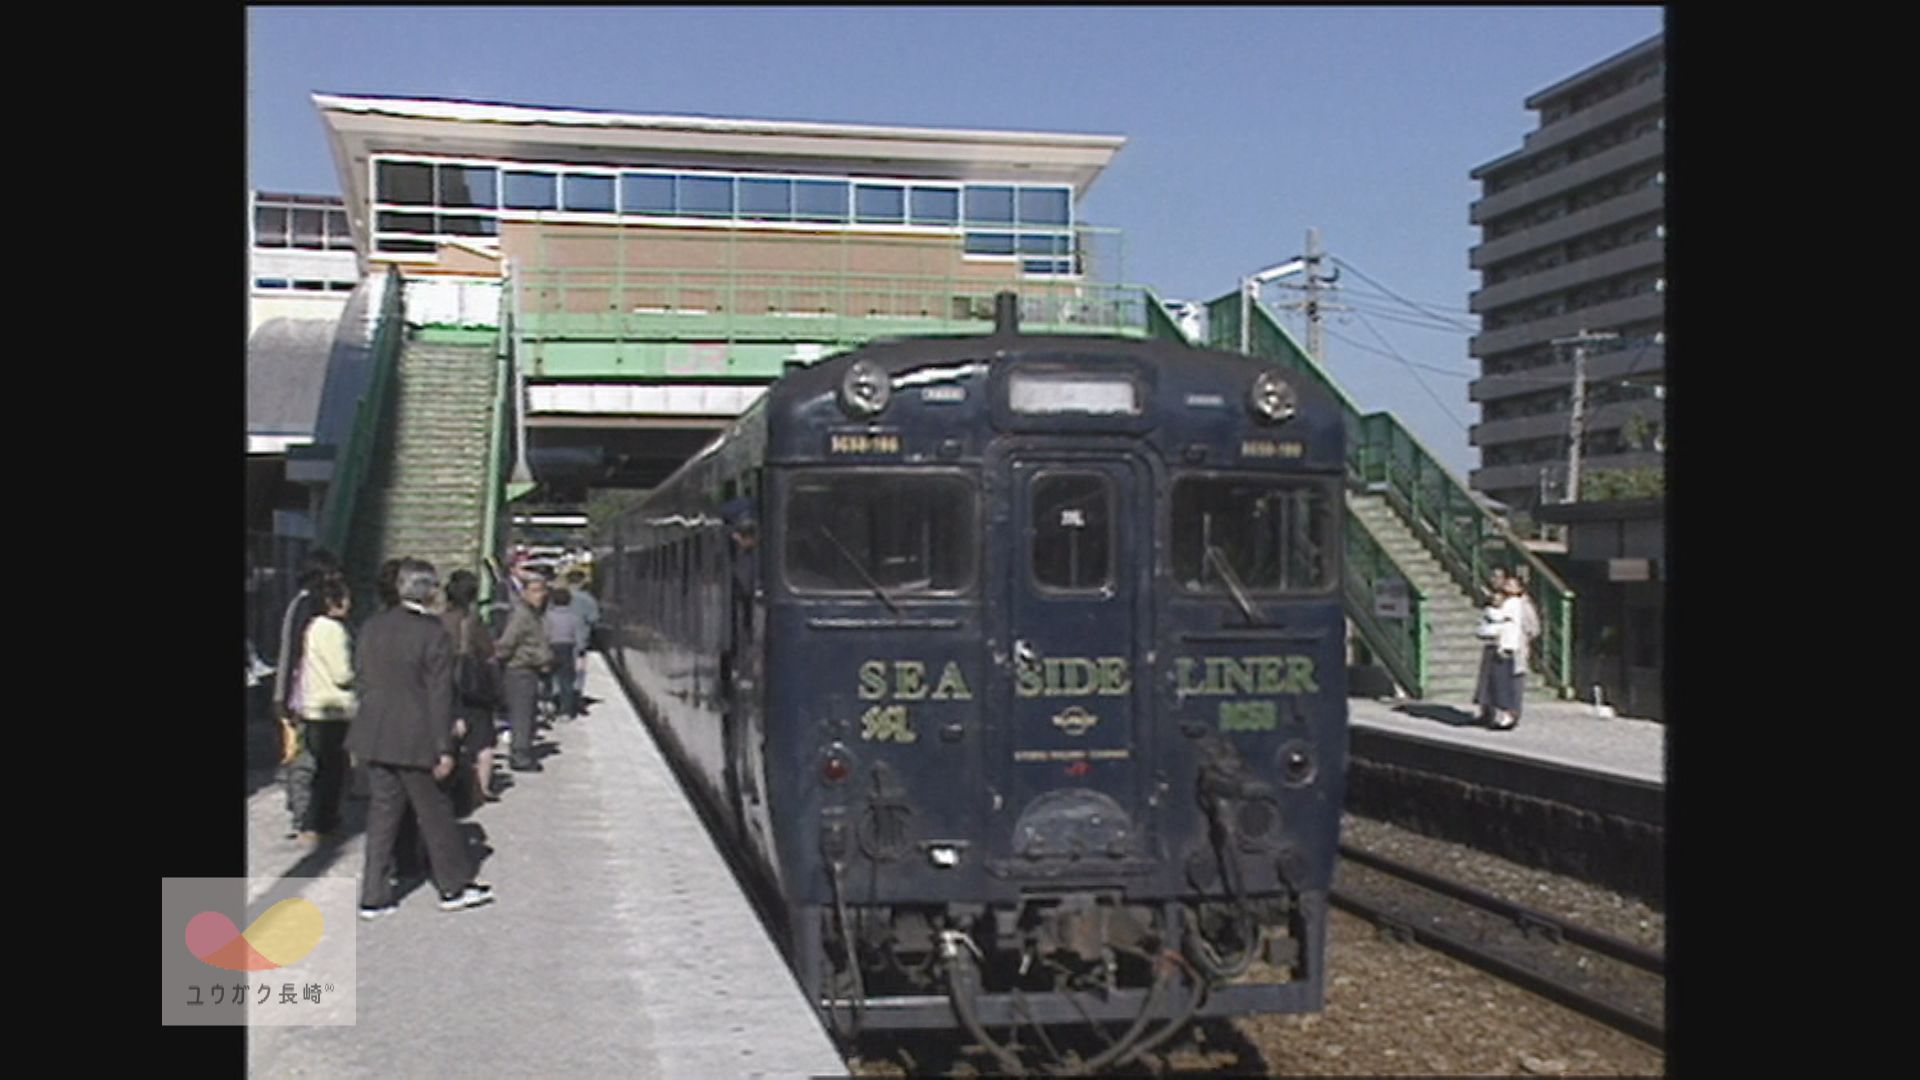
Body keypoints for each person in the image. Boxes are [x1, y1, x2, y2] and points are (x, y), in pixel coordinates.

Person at [347, 559, 494, 919]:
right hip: (418, 739)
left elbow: (362, 678)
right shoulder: (433, 633)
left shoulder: (372, 626)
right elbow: (438, 694)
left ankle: (374, 895)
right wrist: (443, 746)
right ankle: (453, 886)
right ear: (428, 591)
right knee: (436, 815)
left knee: (382, 817)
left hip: (376, 735)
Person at [274, 549, 340, 840]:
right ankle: (305, 818)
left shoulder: (299, 604)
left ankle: (310, 815)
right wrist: (283, 696)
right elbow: (292, 655)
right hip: (305, 696)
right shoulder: (307, 608)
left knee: (308, 758)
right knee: (305, 761)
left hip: (300, 693)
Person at [295, 577, 356, 842]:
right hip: (333, 709)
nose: (350, 603)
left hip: (315, 706)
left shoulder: (313, 627)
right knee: (332, 771)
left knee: (324, 769)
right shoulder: (332, 629)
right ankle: (319, 823)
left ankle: (317, 823)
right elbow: (341, 673)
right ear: (333, 601)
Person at [441, 569, 500, 810]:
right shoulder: (474, 621)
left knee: (451, 738)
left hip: (446, 684)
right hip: (474, 686)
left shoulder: (439, 620)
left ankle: (449, 785)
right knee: (483, 742)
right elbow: (489, 653)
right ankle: (481, 790)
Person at [495, 575, 553, 772]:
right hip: (520, 671)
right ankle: (519, 755)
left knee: (528, 713)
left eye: (543, 590)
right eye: (536, 591)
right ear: (525, 593)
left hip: (530, 670)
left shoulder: (534, 614)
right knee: (522, 713)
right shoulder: (522, 615)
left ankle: (522, 750)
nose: (541, 595)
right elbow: (507, 643)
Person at [1486, 576, 1531, 730]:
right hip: (1503, 644)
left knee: (1507, 683)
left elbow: (1530, 627)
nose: (1507, 586)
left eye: (1512, 584)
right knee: (1499, 682)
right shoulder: (1506, 602)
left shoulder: (1517, 604)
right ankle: (1501, 714)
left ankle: (1510, 715)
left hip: (1510, 646)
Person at [1470, 568, 1509, 724]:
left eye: (1498, 576)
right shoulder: (1487, 596)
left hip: (1502, 643)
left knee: (1498, 681)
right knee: (1486, 680)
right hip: (1489, 642)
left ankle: (1501, 713)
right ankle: (1486, 711)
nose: (1494, 579)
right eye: (1492, 576)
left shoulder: (1509, 600)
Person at [543, 586, 587, 721]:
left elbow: (544, 634)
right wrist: (581, 651)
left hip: (550, 648)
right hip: (568, 649)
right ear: (569, 601)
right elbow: (580, 637)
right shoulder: (575, 617)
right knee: (567, 681)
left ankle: (549, 702)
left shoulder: (547, 616)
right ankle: (565, 711)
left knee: (548, 678)